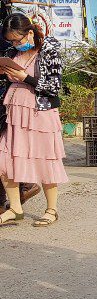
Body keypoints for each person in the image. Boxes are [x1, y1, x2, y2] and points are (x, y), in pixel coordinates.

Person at [0, 13, 67, 227]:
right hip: (15, 113)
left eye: (17, 40)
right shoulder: (11, 52)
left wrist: (25, 78)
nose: (14, 44)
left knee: (45, 159)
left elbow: (54, 87)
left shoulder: (48, 51)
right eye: (10, 41)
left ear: (29, 33)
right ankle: (15, 208)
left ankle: (51, 210)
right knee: (6, 159)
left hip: (41, 113)